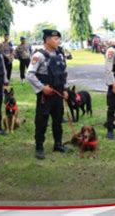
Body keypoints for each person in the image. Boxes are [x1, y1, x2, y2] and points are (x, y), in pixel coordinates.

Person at [26, 29, 69, 160]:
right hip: (45, 95)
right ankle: (39, 147)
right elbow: (29, 74)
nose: (58, 41)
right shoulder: (39, 55)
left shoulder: (60, 54)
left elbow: (64, 73)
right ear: (47, 40)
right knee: (41, 121)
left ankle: (58, 144)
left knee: (58, 120)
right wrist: (41, 87)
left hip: (58, 93)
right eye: (55, 39)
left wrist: (66, 89)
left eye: (58, 39)